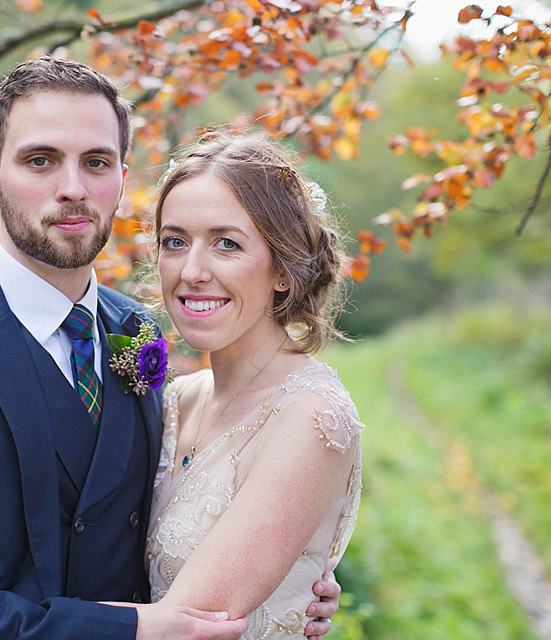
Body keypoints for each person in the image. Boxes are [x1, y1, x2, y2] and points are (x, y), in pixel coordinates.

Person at [0, 56, 340, 640]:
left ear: (122, 181)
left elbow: (160, 511)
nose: (72, 188)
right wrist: (118, 630)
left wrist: (284, 584)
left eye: (95, 162)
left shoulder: (138, 333)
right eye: (40, 160)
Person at [144, 129, 363, 638]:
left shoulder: (310, 416)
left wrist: (7, 623)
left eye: (227, 244)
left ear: (282, 269)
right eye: (174, 242)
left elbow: (193, 626)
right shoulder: (173, 399)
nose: (192, 271)